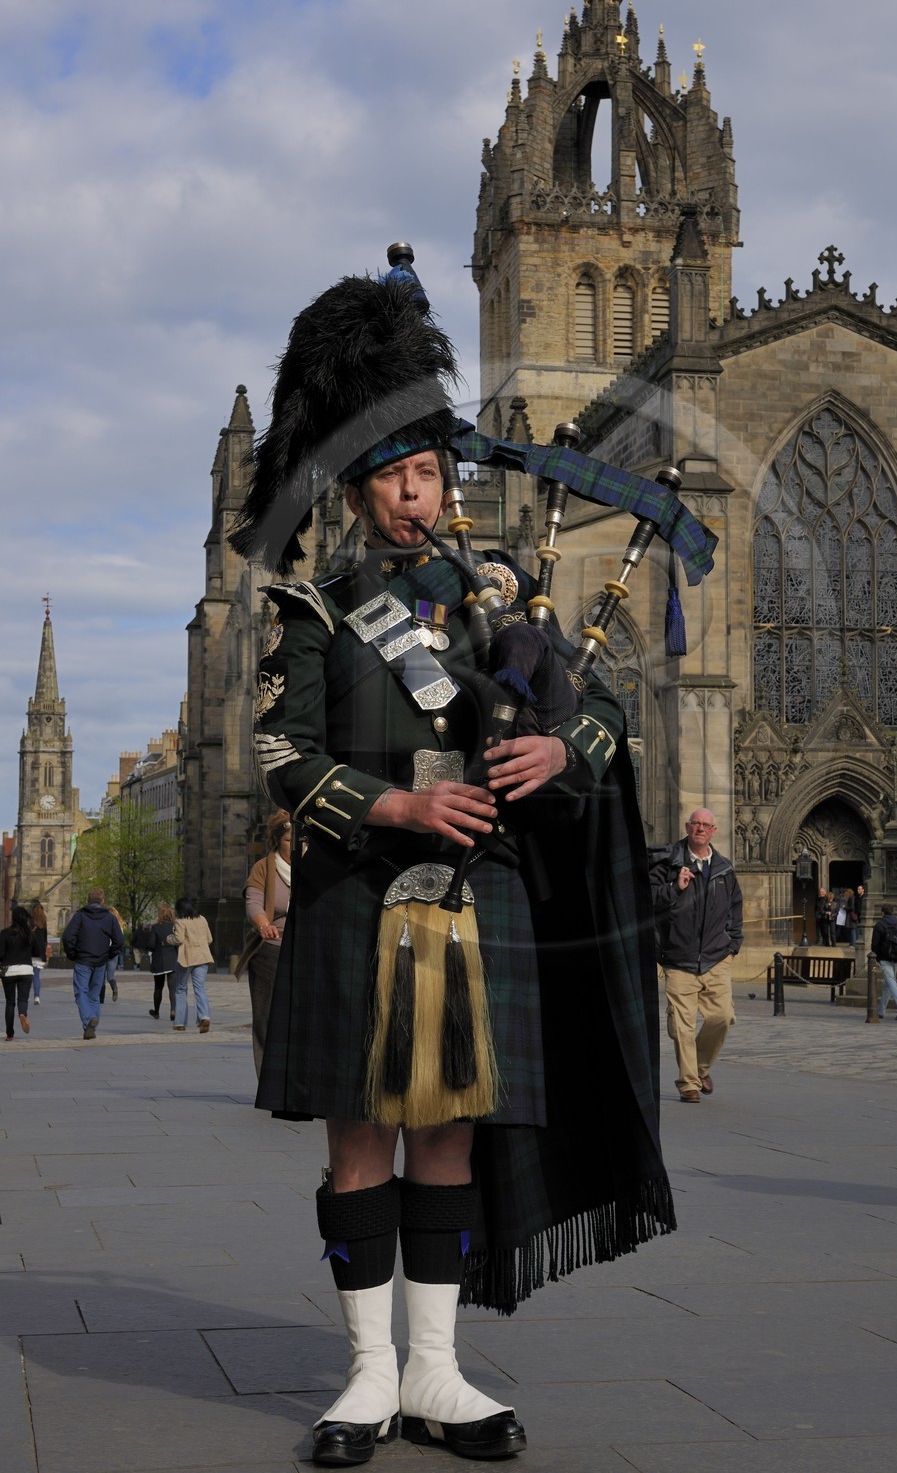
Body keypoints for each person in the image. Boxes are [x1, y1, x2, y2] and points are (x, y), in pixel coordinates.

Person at [228, 262, 692, 1465]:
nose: (411, 494)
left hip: (476, 905)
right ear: (358, 489)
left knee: (448, 1137)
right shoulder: (316, 608)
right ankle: (366, 1373)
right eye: (389, 476)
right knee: (359, 1138)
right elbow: (279, 749)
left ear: (446, 475)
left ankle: (435, 1370)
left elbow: (603, 714)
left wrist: (557, 747)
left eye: (426, 471)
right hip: (355, 895)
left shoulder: (507, 601)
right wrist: (394, 803)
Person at [650, 808, 743, 1103]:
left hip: (716, 956)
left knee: (722, 1017)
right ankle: (688, 1083)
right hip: (678, 956)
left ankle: (700, 1067)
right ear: (688, 827)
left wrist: (732, 945)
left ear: (714, 831)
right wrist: (674, 888)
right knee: (681, 1024)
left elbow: (735, 909)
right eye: (695, 824)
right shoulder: (668, 862)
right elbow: (646, 898)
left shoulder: (725, 869)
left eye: (706, 825)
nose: (700, 828)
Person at [239, 810, 292, 1077]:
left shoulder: (315, 868)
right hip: (271, 950)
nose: (296, 845)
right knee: (266, 1019)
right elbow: (253, 904)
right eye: (289, 840)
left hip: (304, 951)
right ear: (277, 839)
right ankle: (268, 1079)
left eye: (301, 840)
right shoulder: (264, 867)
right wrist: (263, 925)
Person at [61, 889, 123, 1040]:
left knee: (80, 992)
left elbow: (67, 937)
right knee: (94, 995)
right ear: (102, 901)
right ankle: (91, 1028)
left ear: (89, 901)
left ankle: (89, 1019)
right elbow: (119, 940)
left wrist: (72, 954)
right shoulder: (109, 918)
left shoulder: (80, 916)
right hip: (100, 961)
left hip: (83, 960)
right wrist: (110, 954)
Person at [1, 906, 46, 1039]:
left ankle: (9, 1034)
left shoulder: (4, 933)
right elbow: (38, 952)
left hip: (9, 970)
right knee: (23, 999)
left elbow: (0, 953)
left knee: (10, 1002)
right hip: (26, 970)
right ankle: (22, 1014)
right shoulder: (29, 934)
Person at [171, 897, 213, 1033]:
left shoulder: (180, 921)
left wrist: (168, 938)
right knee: (200, 988)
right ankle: (204, 1016)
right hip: (203, 957)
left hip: (187, 958)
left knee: (181, 989)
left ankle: (180, 1022)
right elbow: (210, 939)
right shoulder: (203, 919)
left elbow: (178, 939)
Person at [871, 903, 897, 1020]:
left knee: (892, 984)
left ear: (882, 912)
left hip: (884, 958)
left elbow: (874, 944)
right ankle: (880, 1011)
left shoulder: (879, 925)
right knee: (888, 985)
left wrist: (876, 958)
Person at [144, 903, 179, 1021]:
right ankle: (173, 1009)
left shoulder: (155, 927)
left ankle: (156, 1011)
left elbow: (150, 944)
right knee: (172, 988)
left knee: (158, 987)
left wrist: (149, 952)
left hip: (159, 959)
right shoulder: (174, 926)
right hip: (172, 958)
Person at [98, 906, 125, 1006]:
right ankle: (101, 999)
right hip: (103, 952)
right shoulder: (103, 924)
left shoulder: (119, 926)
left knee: (109, 976)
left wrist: (114, 951)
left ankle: (114, 988)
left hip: (113, 953)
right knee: (101, 976)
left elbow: (120, 941)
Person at [29, 900, 50, 1004]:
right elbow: (45, 938)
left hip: (29, 951)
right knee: (36, 975)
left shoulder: (30, 921)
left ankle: (25, 995)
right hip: (39, 952)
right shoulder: (44, 921)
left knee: (28, 975)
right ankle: (37, 996)